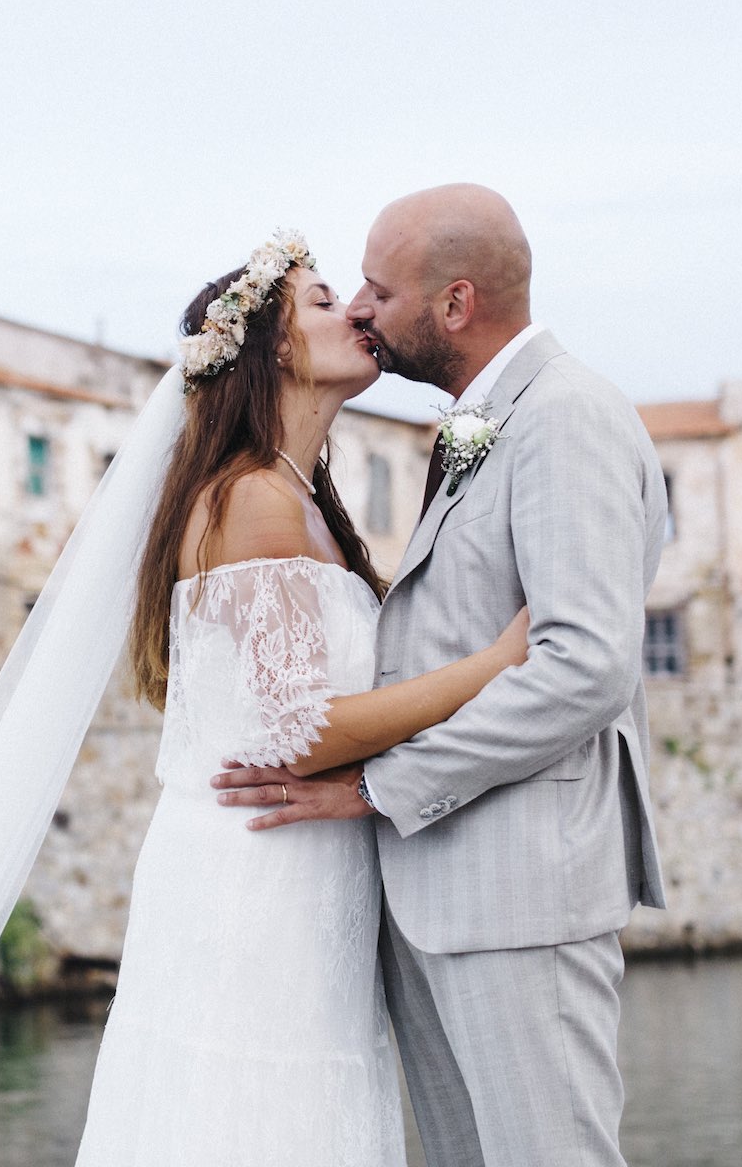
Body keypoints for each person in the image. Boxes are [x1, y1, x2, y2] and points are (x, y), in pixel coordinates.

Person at [214, 185, 669, 1166]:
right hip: (434, 896)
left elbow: (588, 664)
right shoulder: (481, 425)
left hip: (521, 890)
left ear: (455, 305)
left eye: (379, 288)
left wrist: (381, 785)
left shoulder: (566, 417)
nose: (364, 309)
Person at [73, 230, 529, 1165]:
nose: (357, 311)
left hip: (304, 868)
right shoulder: (252, 500)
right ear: (275, 348)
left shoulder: (298, 498)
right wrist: (497, 664)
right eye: (325, 302)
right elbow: (299, 729)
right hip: (260, 877)